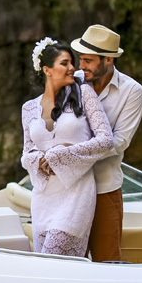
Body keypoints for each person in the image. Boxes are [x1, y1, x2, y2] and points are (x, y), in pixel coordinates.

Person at [20, 39, 114, 256]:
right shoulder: (28, 108)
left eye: (72, 62)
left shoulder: (84, 94)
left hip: (76, 195)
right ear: (47, 70)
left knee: (52, 260)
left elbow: (106, 140)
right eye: (65, 63)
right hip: (44, 198)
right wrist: (40, 159)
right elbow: (26, 153)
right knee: (46, 264)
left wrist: (63, 151)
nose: (73, 68)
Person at [72, 24, 142, 263]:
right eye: (81, 59)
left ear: (108, 60)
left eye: (89, 60)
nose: (81, 66)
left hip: (105, 188)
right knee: (69, 261)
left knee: (108, 261)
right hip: (70, 188)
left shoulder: (132, 91)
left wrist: (74, 154)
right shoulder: (72, 82)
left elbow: (120, 141)